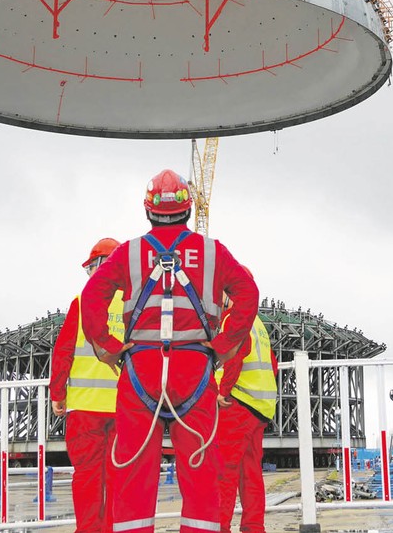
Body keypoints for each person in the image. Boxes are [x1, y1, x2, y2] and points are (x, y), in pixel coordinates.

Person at [81, 169, 260, 533]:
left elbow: (92, 295)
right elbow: (247, 294)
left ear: (147, 210)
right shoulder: (212, 251)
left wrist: (110, 348)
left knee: (133, 476)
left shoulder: (129, 252)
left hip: (139, 372)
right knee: (201, 477)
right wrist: (225, 345)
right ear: (188, 209)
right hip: (194, 370)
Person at [50, 238, 124, 533]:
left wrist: (58, 394)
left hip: (84, 409)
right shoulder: (134, 304)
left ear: (97, 267)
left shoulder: (82, 302)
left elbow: (64, 351)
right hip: (124, 409)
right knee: (118, 478)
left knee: (88, 478)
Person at [215, 293, 278, 533]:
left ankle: (221, 527)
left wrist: (223, 391)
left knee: (226, 471)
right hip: (260, 408)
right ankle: (253, 526)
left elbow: (234, 356)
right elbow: (272, 364)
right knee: (251, 474)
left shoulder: (234, 317)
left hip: (237, 404)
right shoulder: (257, 321)